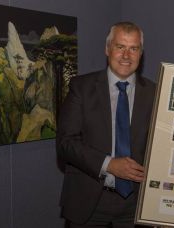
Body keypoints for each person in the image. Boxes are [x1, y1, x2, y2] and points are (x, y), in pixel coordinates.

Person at [58, 22, 155, 227]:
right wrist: (108, 164)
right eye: (120, 47)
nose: (126, 55)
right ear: (107, 49)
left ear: (141, 53)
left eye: (133, 48)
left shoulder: (155, 92)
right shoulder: (81, 88)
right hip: (88, 201)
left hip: (137, 204)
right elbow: (66, 143)